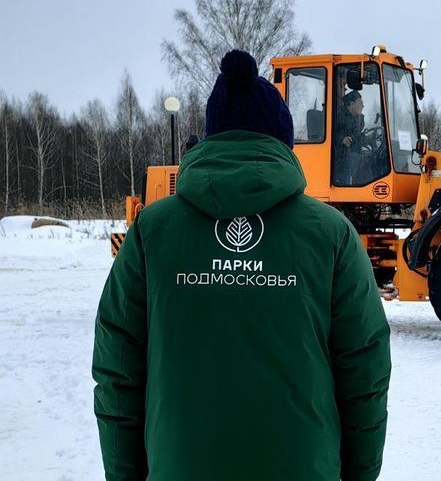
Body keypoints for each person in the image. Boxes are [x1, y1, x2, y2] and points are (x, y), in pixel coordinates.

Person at [92, 49, 391, 481]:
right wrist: (360, 473)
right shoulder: (332, 234)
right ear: (283, 140)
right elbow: (365, 371)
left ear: (211, 136)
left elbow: (118, 371)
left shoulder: (152, 231)